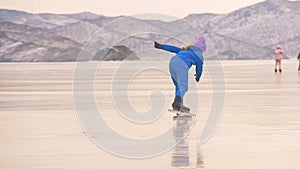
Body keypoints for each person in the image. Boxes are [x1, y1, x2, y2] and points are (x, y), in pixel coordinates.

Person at [154, 37, 206, 112]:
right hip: (181, 64)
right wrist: (198, 77)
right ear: (202, 49)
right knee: (184, 86)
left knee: (179, 86)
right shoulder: (199, 55)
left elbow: (173, 49)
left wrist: (162, 46)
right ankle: (177, 103)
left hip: (172, 63)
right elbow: (199, 68)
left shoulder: (185, 50)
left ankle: (178, 104)